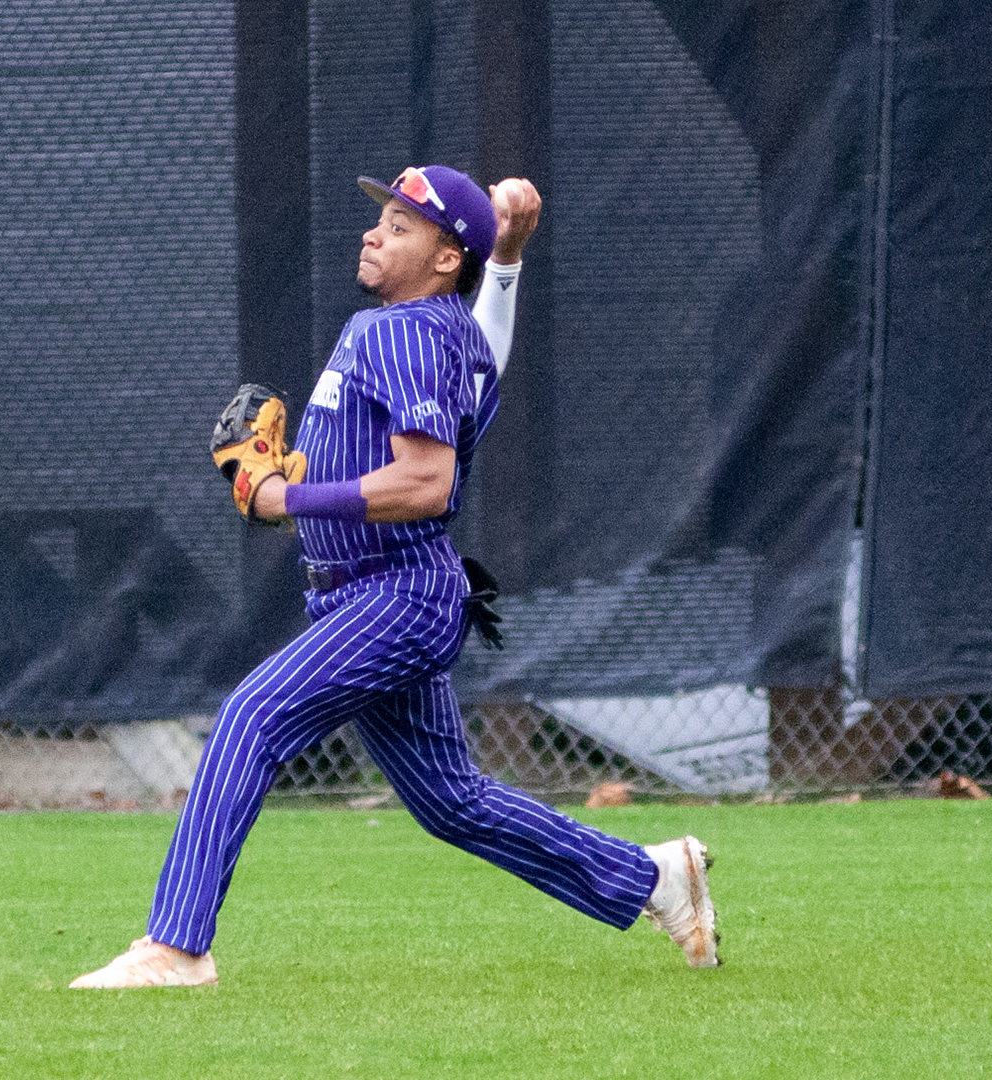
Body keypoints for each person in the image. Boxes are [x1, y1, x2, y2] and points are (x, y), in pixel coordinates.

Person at [71, 166, 718, 989]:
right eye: (381, 218)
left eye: (401, 226)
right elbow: (485, 357)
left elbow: (427, 483)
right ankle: (656, 878)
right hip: (377, 589)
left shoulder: (408, 334)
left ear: (446, 260)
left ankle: (177, 947)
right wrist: (506, 262)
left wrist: (285, 496)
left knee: (249, 719)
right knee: (451, 802)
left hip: (395, 593)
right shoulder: (432, 332)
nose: (375, 232)